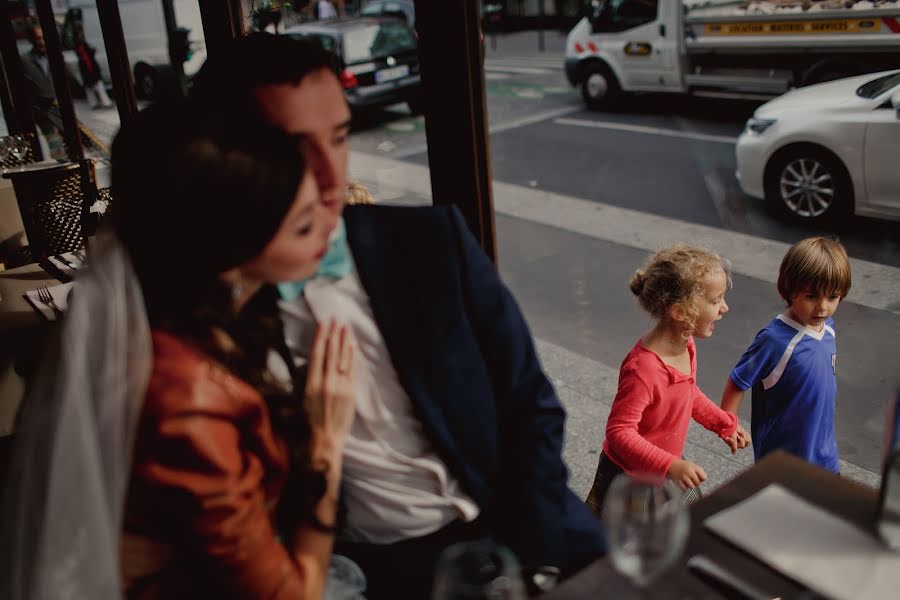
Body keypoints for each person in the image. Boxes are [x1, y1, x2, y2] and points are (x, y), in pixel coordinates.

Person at [191, 33, 606, 598]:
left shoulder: (432, 241)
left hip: (523, 527)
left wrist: (534, 563)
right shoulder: (214, 319)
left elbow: (530, 404)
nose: (329, 175)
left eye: (338, 138)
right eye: (294, 147)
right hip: (375, 571)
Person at [0, 98, 362, 599]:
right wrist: (326, 444)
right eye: (303, 225)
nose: (331, 224)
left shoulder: (190, 305)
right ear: (229, 256)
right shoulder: (189, 398)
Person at [585, 245, 750, 519]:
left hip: (665, 468)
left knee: (684, 527)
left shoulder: (686, 345)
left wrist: (723, 423)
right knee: (618, 547)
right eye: (715, 300)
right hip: (630, 478)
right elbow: (619, 432)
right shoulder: (644, 370)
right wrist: (670, 465)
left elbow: (687, 393)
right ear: (680, 312)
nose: (725, 308)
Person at [720, 237, 851, 473]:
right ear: (790, 292)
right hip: (783, 461)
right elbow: (737, 381)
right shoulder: (774, 340)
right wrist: (728, 424)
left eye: (832, 297)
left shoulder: (828, 327)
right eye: (812, 296)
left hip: (825, 456)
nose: (823, 307)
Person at [19, 25, 67, 158]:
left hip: (60, 107)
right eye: (37, 38)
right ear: (31, 40)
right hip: (43, 111)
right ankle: (62, 168)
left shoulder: (56, 57)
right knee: (55, 145)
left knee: (71, 142)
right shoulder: (24, 60)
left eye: (43, 38)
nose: (41, 42)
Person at [72, 23, 113, 109]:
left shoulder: (81, 44)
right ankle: (103, 103)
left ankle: (97, 103)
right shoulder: (81, 45)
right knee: (94, 86)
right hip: (88, 68)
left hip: (89, 68)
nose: (81, 35)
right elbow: (87, 55)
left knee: (93, 86)